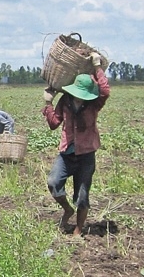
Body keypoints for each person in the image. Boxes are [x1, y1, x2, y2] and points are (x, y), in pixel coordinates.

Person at [42, 52, 110, 237]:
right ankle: (67, 209)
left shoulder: (94, 102)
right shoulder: (65, 100)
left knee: (82, 196)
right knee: (53, 183)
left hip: (86, 154)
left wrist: (97, 66)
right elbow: (54, 123)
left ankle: (78, 230)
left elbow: (105, 90)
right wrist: (48, 103)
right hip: (67, 153)